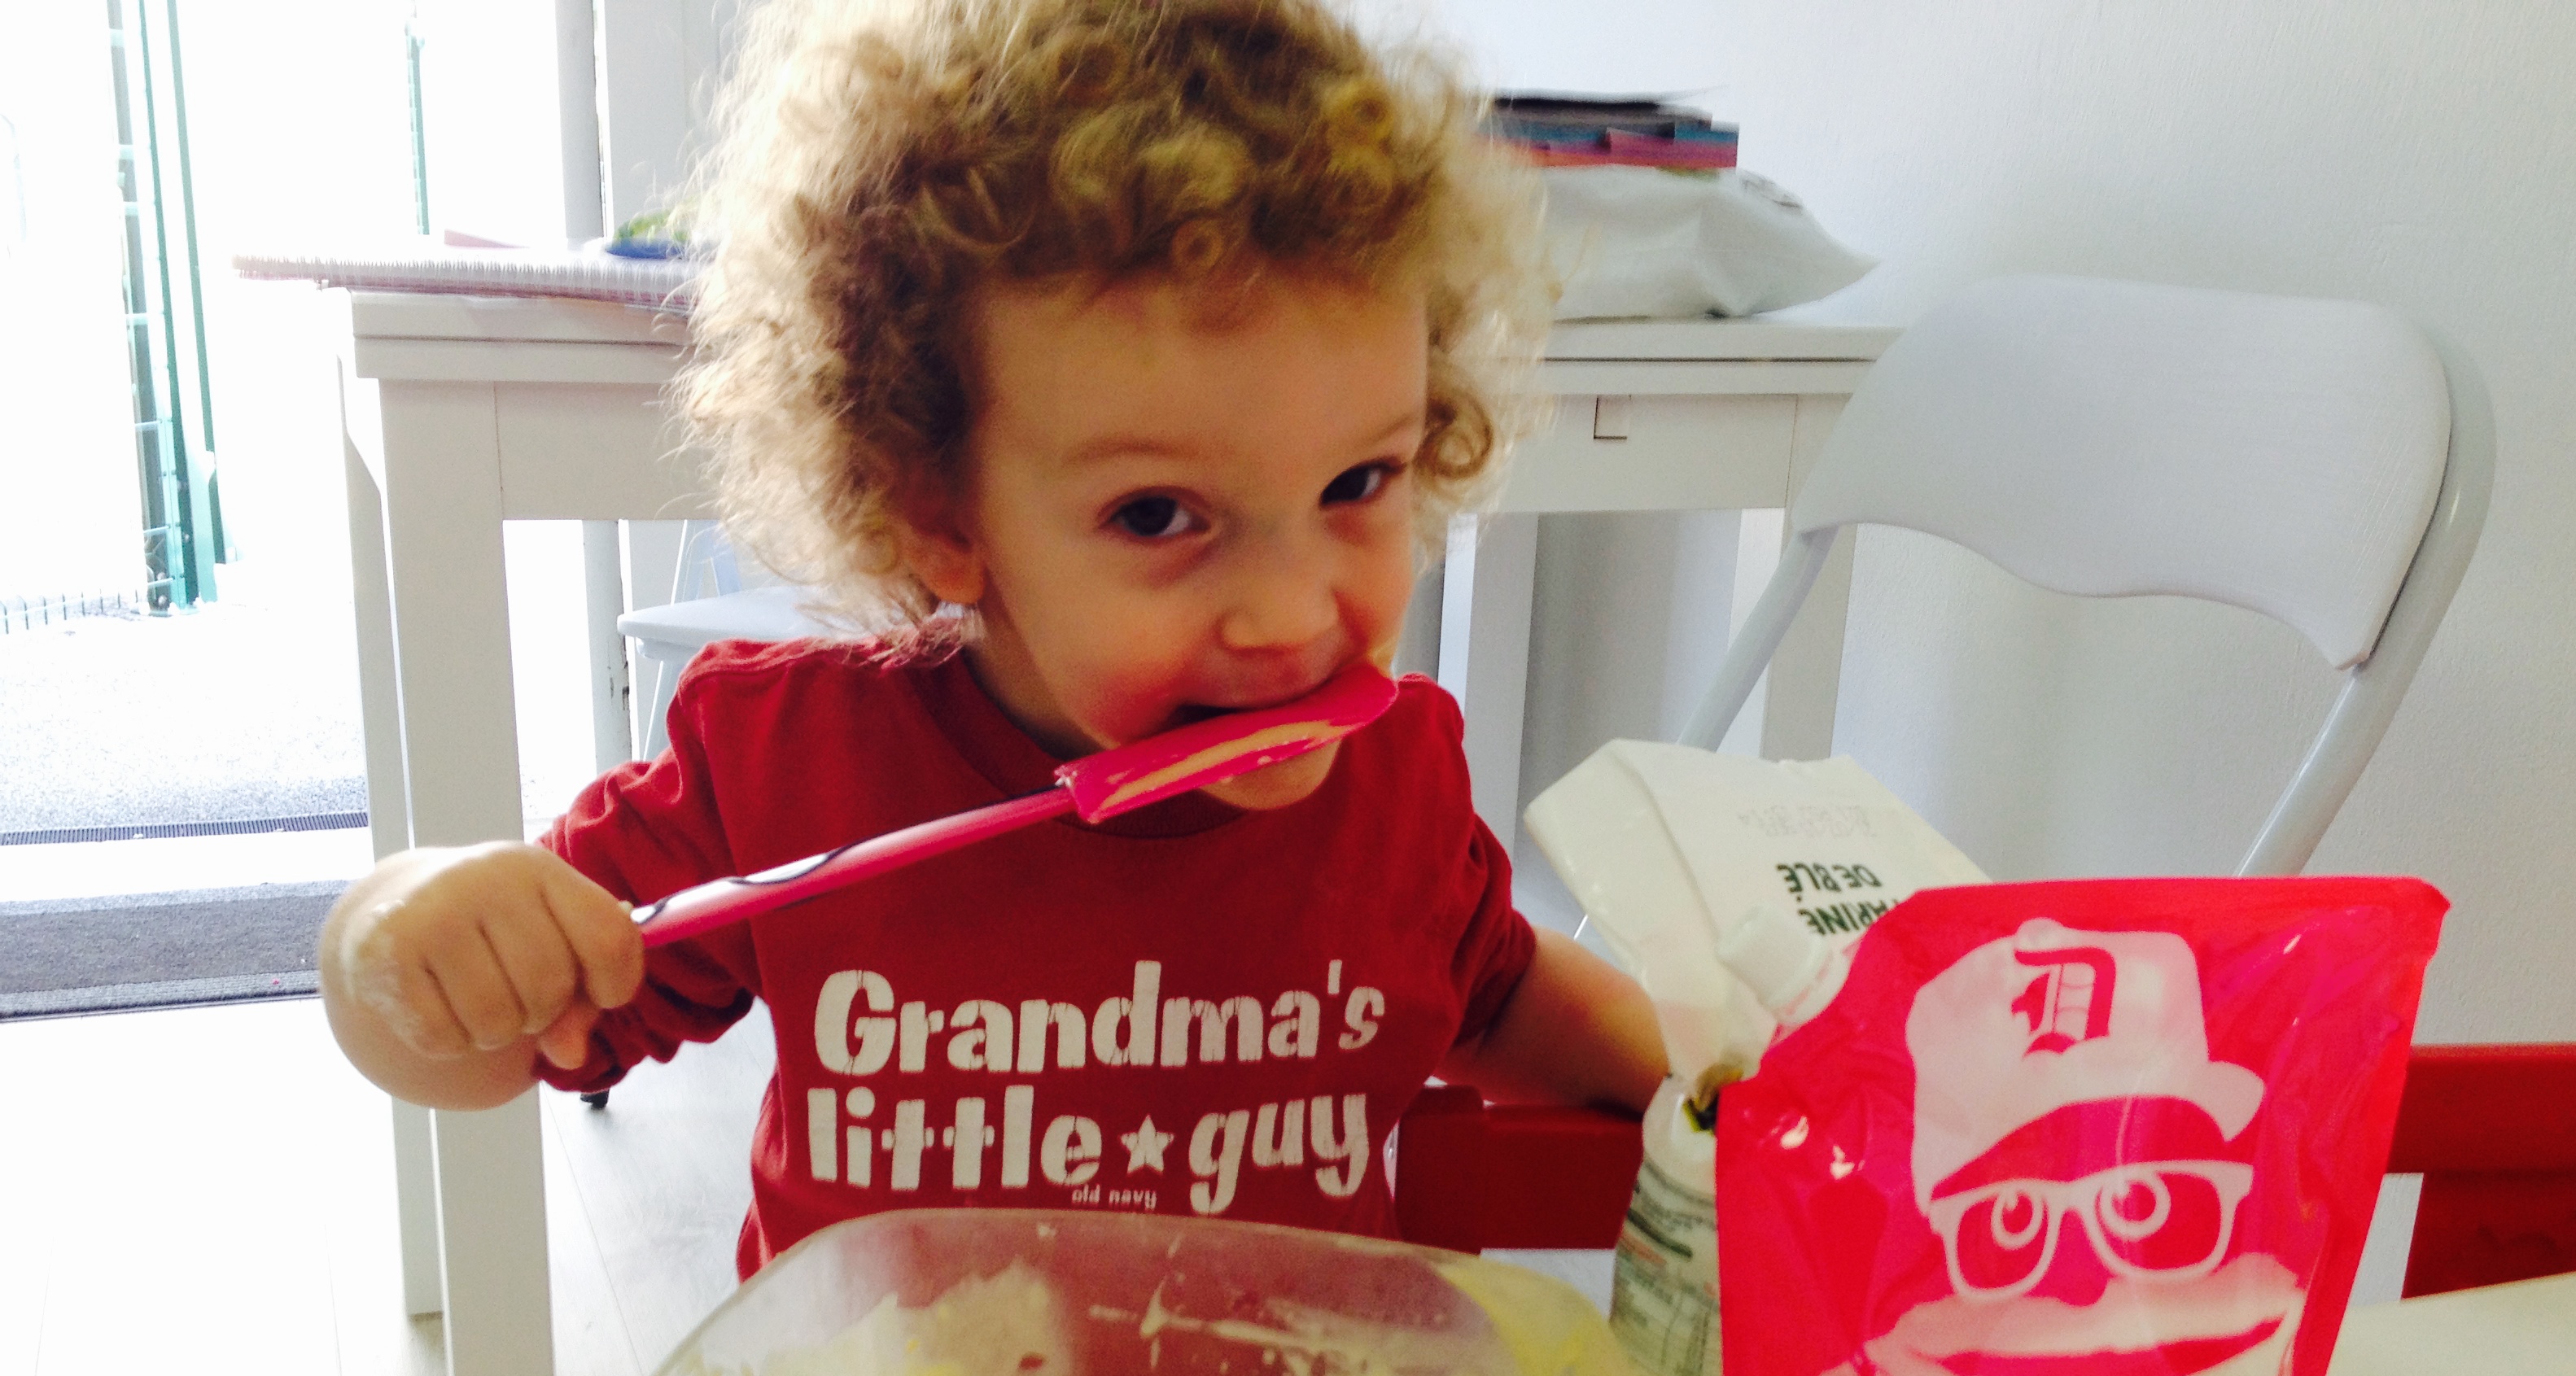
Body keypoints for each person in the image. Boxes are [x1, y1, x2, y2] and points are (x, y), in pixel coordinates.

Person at [318, 0, 1664, 1274]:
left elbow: (1495, 998)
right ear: (938, 508)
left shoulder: (1395, 787)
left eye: (1357, 485)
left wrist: (1744, 1081)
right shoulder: (789, 765)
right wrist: (403, 945)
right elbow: (497, 1042)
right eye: (1158, 514)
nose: (1295, 614)